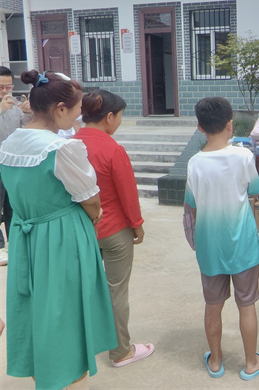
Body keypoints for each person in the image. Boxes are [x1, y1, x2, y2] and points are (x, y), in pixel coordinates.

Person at [0, 69, 116, 390]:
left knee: (35, 306)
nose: (79, 116)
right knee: (66, 311)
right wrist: (95, 214)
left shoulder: (10, 143)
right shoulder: (60, 148)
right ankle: (67, 376)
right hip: (61, 235)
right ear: (60, 109)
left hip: (25, 235)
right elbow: (89, 197)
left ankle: (42, 370)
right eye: (77, 109)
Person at [184, 97, 259, 380]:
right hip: (242, 243)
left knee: (213, 305)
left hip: (209, 245)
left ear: (200, 127)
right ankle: (251, 363)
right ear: (230, 125)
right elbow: (255, 191)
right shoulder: (244, 156)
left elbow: (192, 206)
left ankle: (215, 361)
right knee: (246, 304)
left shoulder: (194, 163)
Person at [74, 90, 155, 367]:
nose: (119, 122)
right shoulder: (112, 149)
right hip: (114, 230)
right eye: (119, 116)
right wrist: (137, 225)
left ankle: (84, 346)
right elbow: (127, 193)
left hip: (83, 230)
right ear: (109, 117)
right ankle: (121, 351)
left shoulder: (70, 145)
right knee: (116, 290)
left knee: (85, 287)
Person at [0, 65, 32, 263]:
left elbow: (26, 127)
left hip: (12, 163)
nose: (5, 91)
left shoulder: (13, 105)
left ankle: (15, 243)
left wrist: (27, 113)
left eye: (8, 87)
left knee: (13, 205)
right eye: (1, 87)